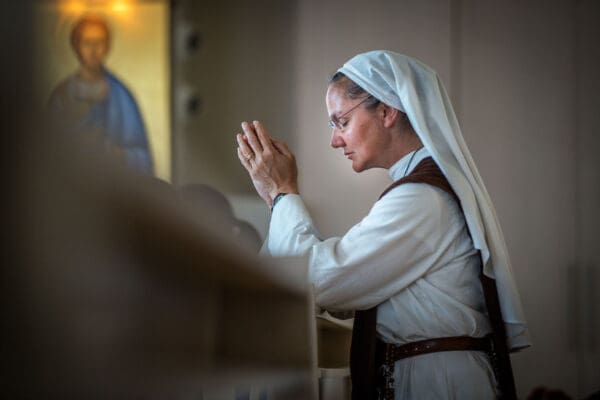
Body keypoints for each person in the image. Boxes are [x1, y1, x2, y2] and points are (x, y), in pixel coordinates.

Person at [235, 50, 530, 399]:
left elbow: (325, 281)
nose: (334, 140)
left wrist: (283, 193)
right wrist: (277, 198)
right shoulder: (417, 191)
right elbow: (350, 287)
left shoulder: (421, 199)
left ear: (387, 111)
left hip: (439, 383)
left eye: (341, 121)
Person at [47, 14, 153, 174]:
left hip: (111, 185)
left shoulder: (121, 95)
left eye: (100, 42)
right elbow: (46, 149)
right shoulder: (62, 95)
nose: (93, 50)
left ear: (108, 46)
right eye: (87, 42)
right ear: (76, 45)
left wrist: (119, 155)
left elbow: (143, 158)